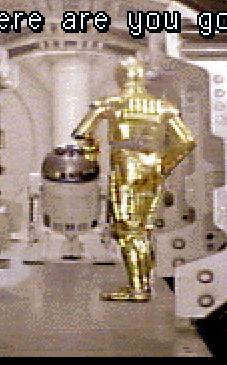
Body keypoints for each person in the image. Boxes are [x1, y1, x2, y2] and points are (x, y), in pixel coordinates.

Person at [71, 57, 196, 302]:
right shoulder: (163, 106)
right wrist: (165, 164)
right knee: (144, 229)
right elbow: (186, 141)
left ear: (119, 78)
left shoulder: (111, 103)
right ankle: (144, 283)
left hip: (126, 168)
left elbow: (81, 132)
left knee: (128, 231)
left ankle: (137, 289)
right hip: (153, 167)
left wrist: (93, 150)